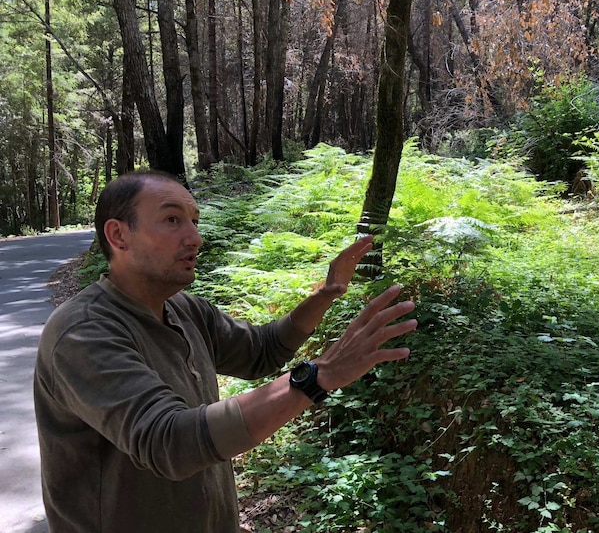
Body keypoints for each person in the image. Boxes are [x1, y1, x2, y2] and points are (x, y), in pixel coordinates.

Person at [33, 169, 416, 532]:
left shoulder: (184, 308)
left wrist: (323, 295)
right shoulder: (83, 332)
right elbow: (169, 441)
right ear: (118, 236)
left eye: (195, 221)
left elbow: (261, 352)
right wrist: (317, 376)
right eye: (172, 220)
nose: (195, 237)